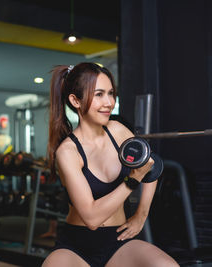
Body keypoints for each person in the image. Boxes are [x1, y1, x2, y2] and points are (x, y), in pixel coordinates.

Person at [42, 63, 179, 267]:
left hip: (117, 241)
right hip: (76, 247)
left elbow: (151, 165)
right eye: (99, 95)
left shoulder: (117, 130)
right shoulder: (68, 152)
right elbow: (91, 218)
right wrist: (132, 180)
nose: (109, 102)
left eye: (111, 93)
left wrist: (141, 215)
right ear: (75, 100)